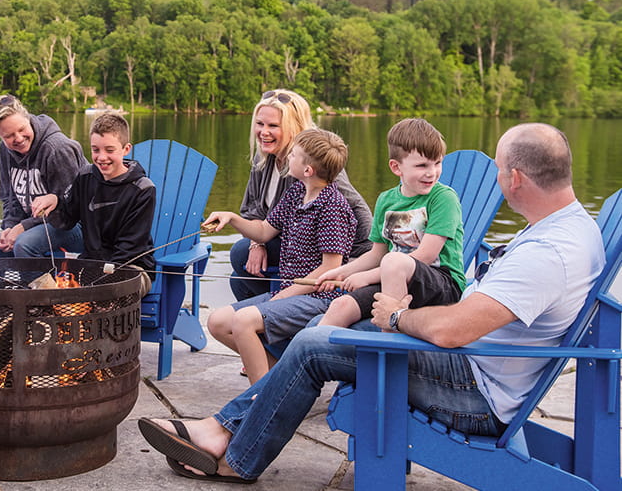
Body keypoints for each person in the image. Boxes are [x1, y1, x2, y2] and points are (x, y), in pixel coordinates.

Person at [137, 123, 605, 483]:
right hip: (475, 367)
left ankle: (235, 455)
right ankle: (222, 430)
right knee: (327, 333)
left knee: (315, 345)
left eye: (500, 170)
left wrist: (397, 317)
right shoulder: (562, 228)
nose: (499, 179)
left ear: (517, 178)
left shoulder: (550, 252)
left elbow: (452, 330)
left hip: (476, 391)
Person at [204, 129, 357, 384]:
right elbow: (263, 232)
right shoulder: (297, 193)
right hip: (290, 292)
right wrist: (231, 218)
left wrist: (285, 294)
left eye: (294, 155)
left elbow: (330, 268)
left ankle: (259, 397)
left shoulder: (333, 208)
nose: (288, 158)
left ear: (308, 170)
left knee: (243, 321)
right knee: (218, 322)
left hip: (319, 299)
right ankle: (278, 378)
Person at [315, 118, 465, 328]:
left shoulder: (443, 198)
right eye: (422, 165)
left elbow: (426, 256)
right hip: (393, 278)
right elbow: (376, 254)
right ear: (396, 167)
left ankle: (392, 342)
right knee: (341, 307)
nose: (432, 172)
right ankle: (319, 355)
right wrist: (341, 271)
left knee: (393, 262)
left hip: (441, 284)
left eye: (437, 163)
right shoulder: (386, 201)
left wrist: (368, 277)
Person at [229, 89, 371, 301]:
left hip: (319, 249)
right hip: (283, 240)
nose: (263, 132)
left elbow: (356, 210)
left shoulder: (314, 165)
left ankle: (276, 307)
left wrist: (357, 259)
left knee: (239, 252)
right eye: (260, 124)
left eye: (273, 126)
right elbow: (251, 210)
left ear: (293, 127)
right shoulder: (264, 160)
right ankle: (266, 320)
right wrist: (257, 244)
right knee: (239, 275)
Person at [30, 113, 156, 295]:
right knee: (51, 295)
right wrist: (55, 202)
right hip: (91, 264)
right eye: (95, 150)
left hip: (132, 270)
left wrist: (96, 279)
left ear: (126, 149)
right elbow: (67, 219)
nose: (101, 157)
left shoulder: (143, 189)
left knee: (105, 295)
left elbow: (130, 248)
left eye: (109, 150)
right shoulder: (85, 176)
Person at [0, 94, 87, 259]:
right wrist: (9, 227)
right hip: (37, 225)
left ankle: (40, 285)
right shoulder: (5, 150)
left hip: (76, 225)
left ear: (28, 119)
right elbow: (10, 199)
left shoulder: (57, 149)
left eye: (22, 129)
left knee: (24, 245)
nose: (18, 139)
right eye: (9, 136)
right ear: (0, 136)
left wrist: (23, 227)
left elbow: (71, 208)